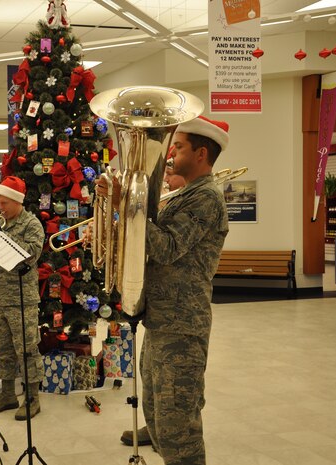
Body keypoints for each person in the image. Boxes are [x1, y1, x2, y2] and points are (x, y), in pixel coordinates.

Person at [116, 116, 230, 465]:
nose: (169, 154)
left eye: (176, 147)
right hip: (163, 318)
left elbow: (165, 247)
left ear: (200, 153)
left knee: (178, 421)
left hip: (183, 324)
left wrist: (127, 205)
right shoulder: (186, 194)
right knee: (155, 408)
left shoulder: (206, 197)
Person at [0, 176, 45, 421]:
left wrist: (1, 237)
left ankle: (32, 399)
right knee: (3, 350)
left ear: (17, 202)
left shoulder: (32, 224)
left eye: (5, 203)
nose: (0, 208)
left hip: (22, 299)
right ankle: (8, 393)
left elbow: (31, 254)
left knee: (27, 350)